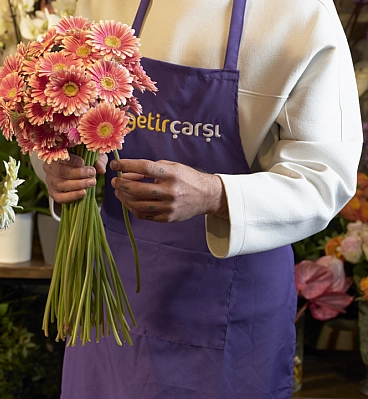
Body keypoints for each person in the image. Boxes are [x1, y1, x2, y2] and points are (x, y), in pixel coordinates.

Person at [34, 0, 364, 397]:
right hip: (104, 302)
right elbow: (52, 113)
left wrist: (215, 194)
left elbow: (324, 178)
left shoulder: (299, 12)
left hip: (229, 319)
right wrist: (54, 164)